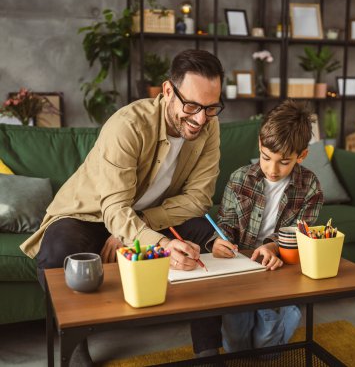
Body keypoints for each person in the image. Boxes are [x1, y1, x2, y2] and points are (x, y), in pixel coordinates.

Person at [20, 49, 225, 365]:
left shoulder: (209, 127)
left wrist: (139, 228)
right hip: (89, 212)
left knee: (208, 236)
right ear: (167, 90)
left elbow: (198, 199)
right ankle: (74, 346)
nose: (200, 119)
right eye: (192, 105)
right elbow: (114, 209)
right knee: (58, 252)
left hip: (151, 215)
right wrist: (159, 244)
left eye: (211, 108)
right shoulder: (128, 125)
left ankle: (208, 350)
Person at [206, 99, 324, 353]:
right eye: (266, 158)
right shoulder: (240, 178)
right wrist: (218, 241)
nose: (272, 169)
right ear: (260, 145)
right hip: (242, 270)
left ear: (301, 156)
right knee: (236, 348)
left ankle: (286, 309)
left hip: (279, 271)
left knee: (266, 352)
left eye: (284, 162)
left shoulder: (310, 186)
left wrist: (273, 247)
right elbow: (226, 222)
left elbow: (300, 236)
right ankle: (261, 313)